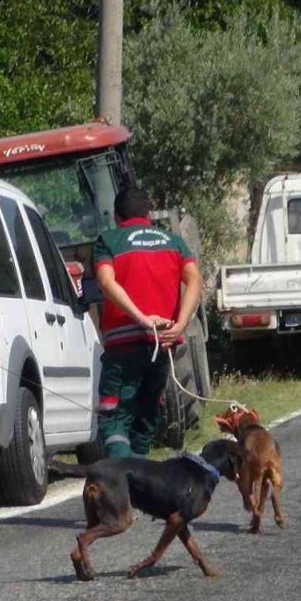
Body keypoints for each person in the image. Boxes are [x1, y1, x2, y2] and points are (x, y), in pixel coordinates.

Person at [93, 185, 202, 459]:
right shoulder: (174, 242)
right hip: (161, 344)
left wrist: (140, 318)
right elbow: (194, 279)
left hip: (123, 347)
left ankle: (124, 479)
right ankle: (139, 476)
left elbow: (106, 282)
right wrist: (180, 325)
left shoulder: (109, 241)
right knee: (145, 416)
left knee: (114, 419)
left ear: (117, 217)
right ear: (149, 214)